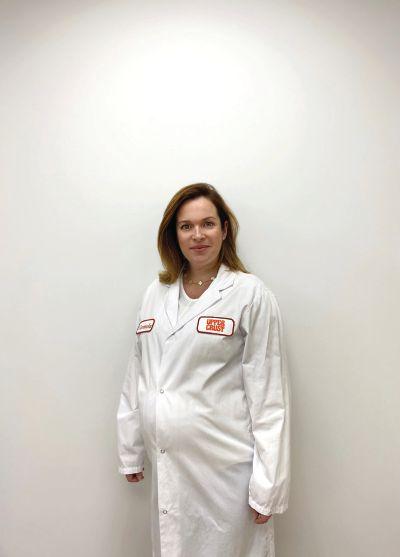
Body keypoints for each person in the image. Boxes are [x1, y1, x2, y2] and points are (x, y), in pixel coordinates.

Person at [116, 183, 291, 557]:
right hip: (168, 466)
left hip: (227, 473)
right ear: (174, 234)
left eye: (207, 224)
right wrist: (130, 448)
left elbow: (269, 395)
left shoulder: (249, 293)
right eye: (186, 226)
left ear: (224, 229)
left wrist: (268, 484)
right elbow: (138, 374)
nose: (197, 235)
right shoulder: (155, 293)